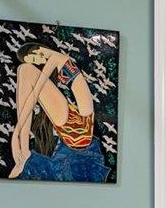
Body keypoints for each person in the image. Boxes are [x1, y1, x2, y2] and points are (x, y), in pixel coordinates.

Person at [8, 45, 107, 181]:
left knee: (25, 69)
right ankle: (24, 152)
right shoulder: (59, 60)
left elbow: (34, 94)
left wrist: (15, 135)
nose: (37, 63)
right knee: (23, 70)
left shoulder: (55, 58)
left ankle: (24, 152)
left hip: (79, 126)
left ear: (38, 50)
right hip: (79, 128)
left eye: (34, 59)